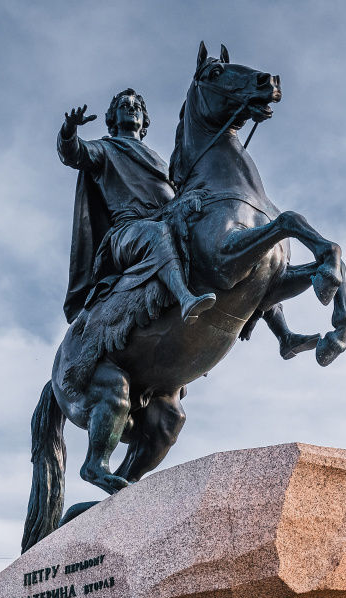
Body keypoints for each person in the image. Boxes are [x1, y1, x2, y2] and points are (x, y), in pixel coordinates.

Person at [56, 90, 218, 388]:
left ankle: (282, 331)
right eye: (123, 106)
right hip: (127, 234)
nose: (131, 109)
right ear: (113, 118)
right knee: (157, 234)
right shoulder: (105, 150)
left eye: (136, 107)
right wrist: (69, 131)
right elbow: (74, 153)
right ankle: (185, 299)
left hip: (166, 221)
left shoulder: (159, 159)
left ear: (144, 119)